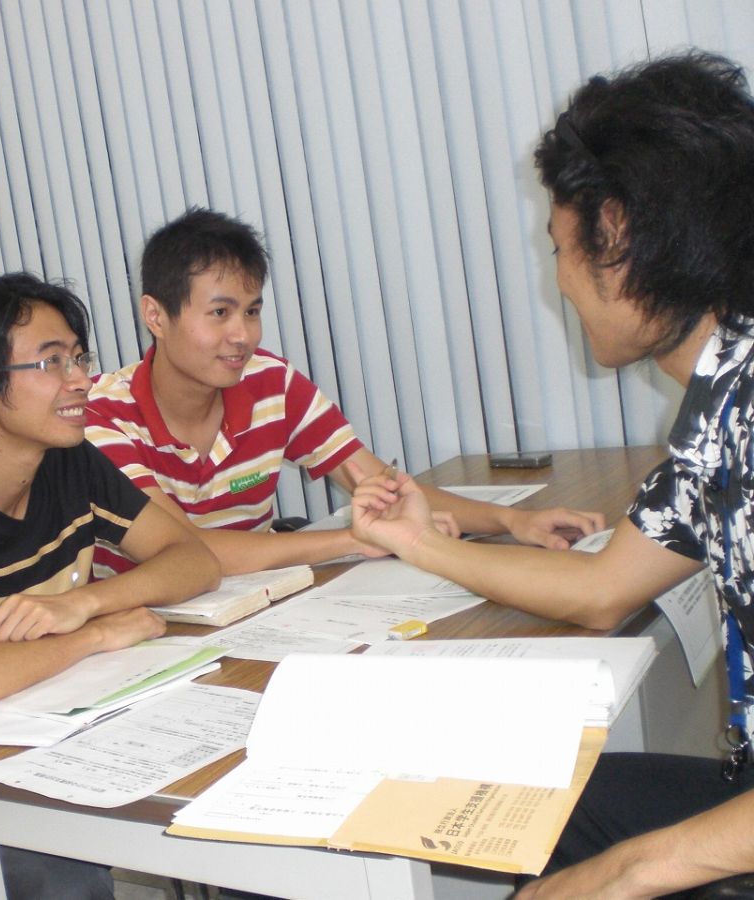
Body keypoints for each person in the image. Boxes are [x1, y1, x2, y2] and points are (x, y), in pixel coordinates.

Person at [348, 51, 754, 898]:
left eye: (560, 248)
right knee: (516, 805)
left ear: (617, 236)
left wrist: (630, 871)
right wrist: (421, 542)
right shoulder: (721, 404)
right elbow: (605, 587)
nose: (559, 280)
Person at [0, 273, 221, 898]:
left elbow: (194, 560)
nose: (81, 379)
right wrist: (92, 636)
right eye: (52, 362)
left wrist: (84, 603)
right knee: (66, 873)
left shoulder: (69, 466)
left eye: (79, 357)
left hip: (51, 737)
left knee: (214, 794)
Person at [86, 207, 604, 577]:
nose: (243, 335)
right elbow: (186, 552)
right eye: (220, 313)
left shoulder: (270, 382)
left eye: (252, 311)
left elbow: (379, 484)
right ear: (156, 315)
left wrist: (513, 521)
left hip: (256, 603)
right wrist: (355, 539)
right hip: (145, 632)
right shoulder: (101, 415)